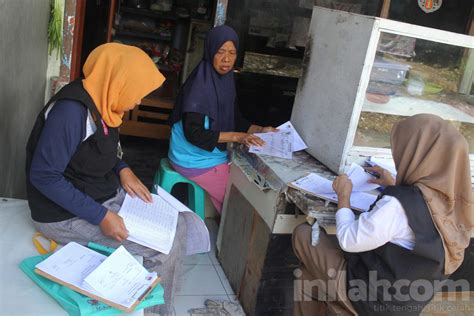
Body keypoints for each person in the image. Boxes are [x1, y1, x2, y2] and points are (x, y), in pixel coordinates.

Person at [26, 43, 183, 314]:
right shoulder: (72, 113)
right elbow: (44, 176)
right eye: (137, 93)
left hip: (98, 192)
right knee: (163, 251)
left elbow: (102, 148)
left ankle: (146, 306)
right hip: (62, 213)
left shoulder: (104, 100)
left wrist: (123, 168)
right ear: (119, 82)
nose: (137, 102)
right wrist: (101, 216)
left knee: (175, 229)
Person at [292, 114, 473, 315]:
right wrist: (396, 183)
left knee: (303, 234)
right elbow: (425, 210)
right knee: (307, 280)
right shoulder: (457, 205)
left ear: (419, 156)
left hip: (372, 299)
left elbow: (349, 240)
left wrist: (344, 196)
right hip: (406, 305)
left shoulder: (397, 206)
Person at [168, 25, 276, 214]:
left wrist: (259, 129)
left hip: (209, 155)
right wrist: (238, 137)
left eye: (232, 53)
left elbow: (235, 118)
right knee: (242, 198)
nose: (227, 59)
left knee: (247, 180)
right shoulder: (199, 86)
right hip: (192, 158)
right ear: (210, 51)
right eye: (221, 52)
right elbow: (194, 133)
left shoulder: (225, 81)